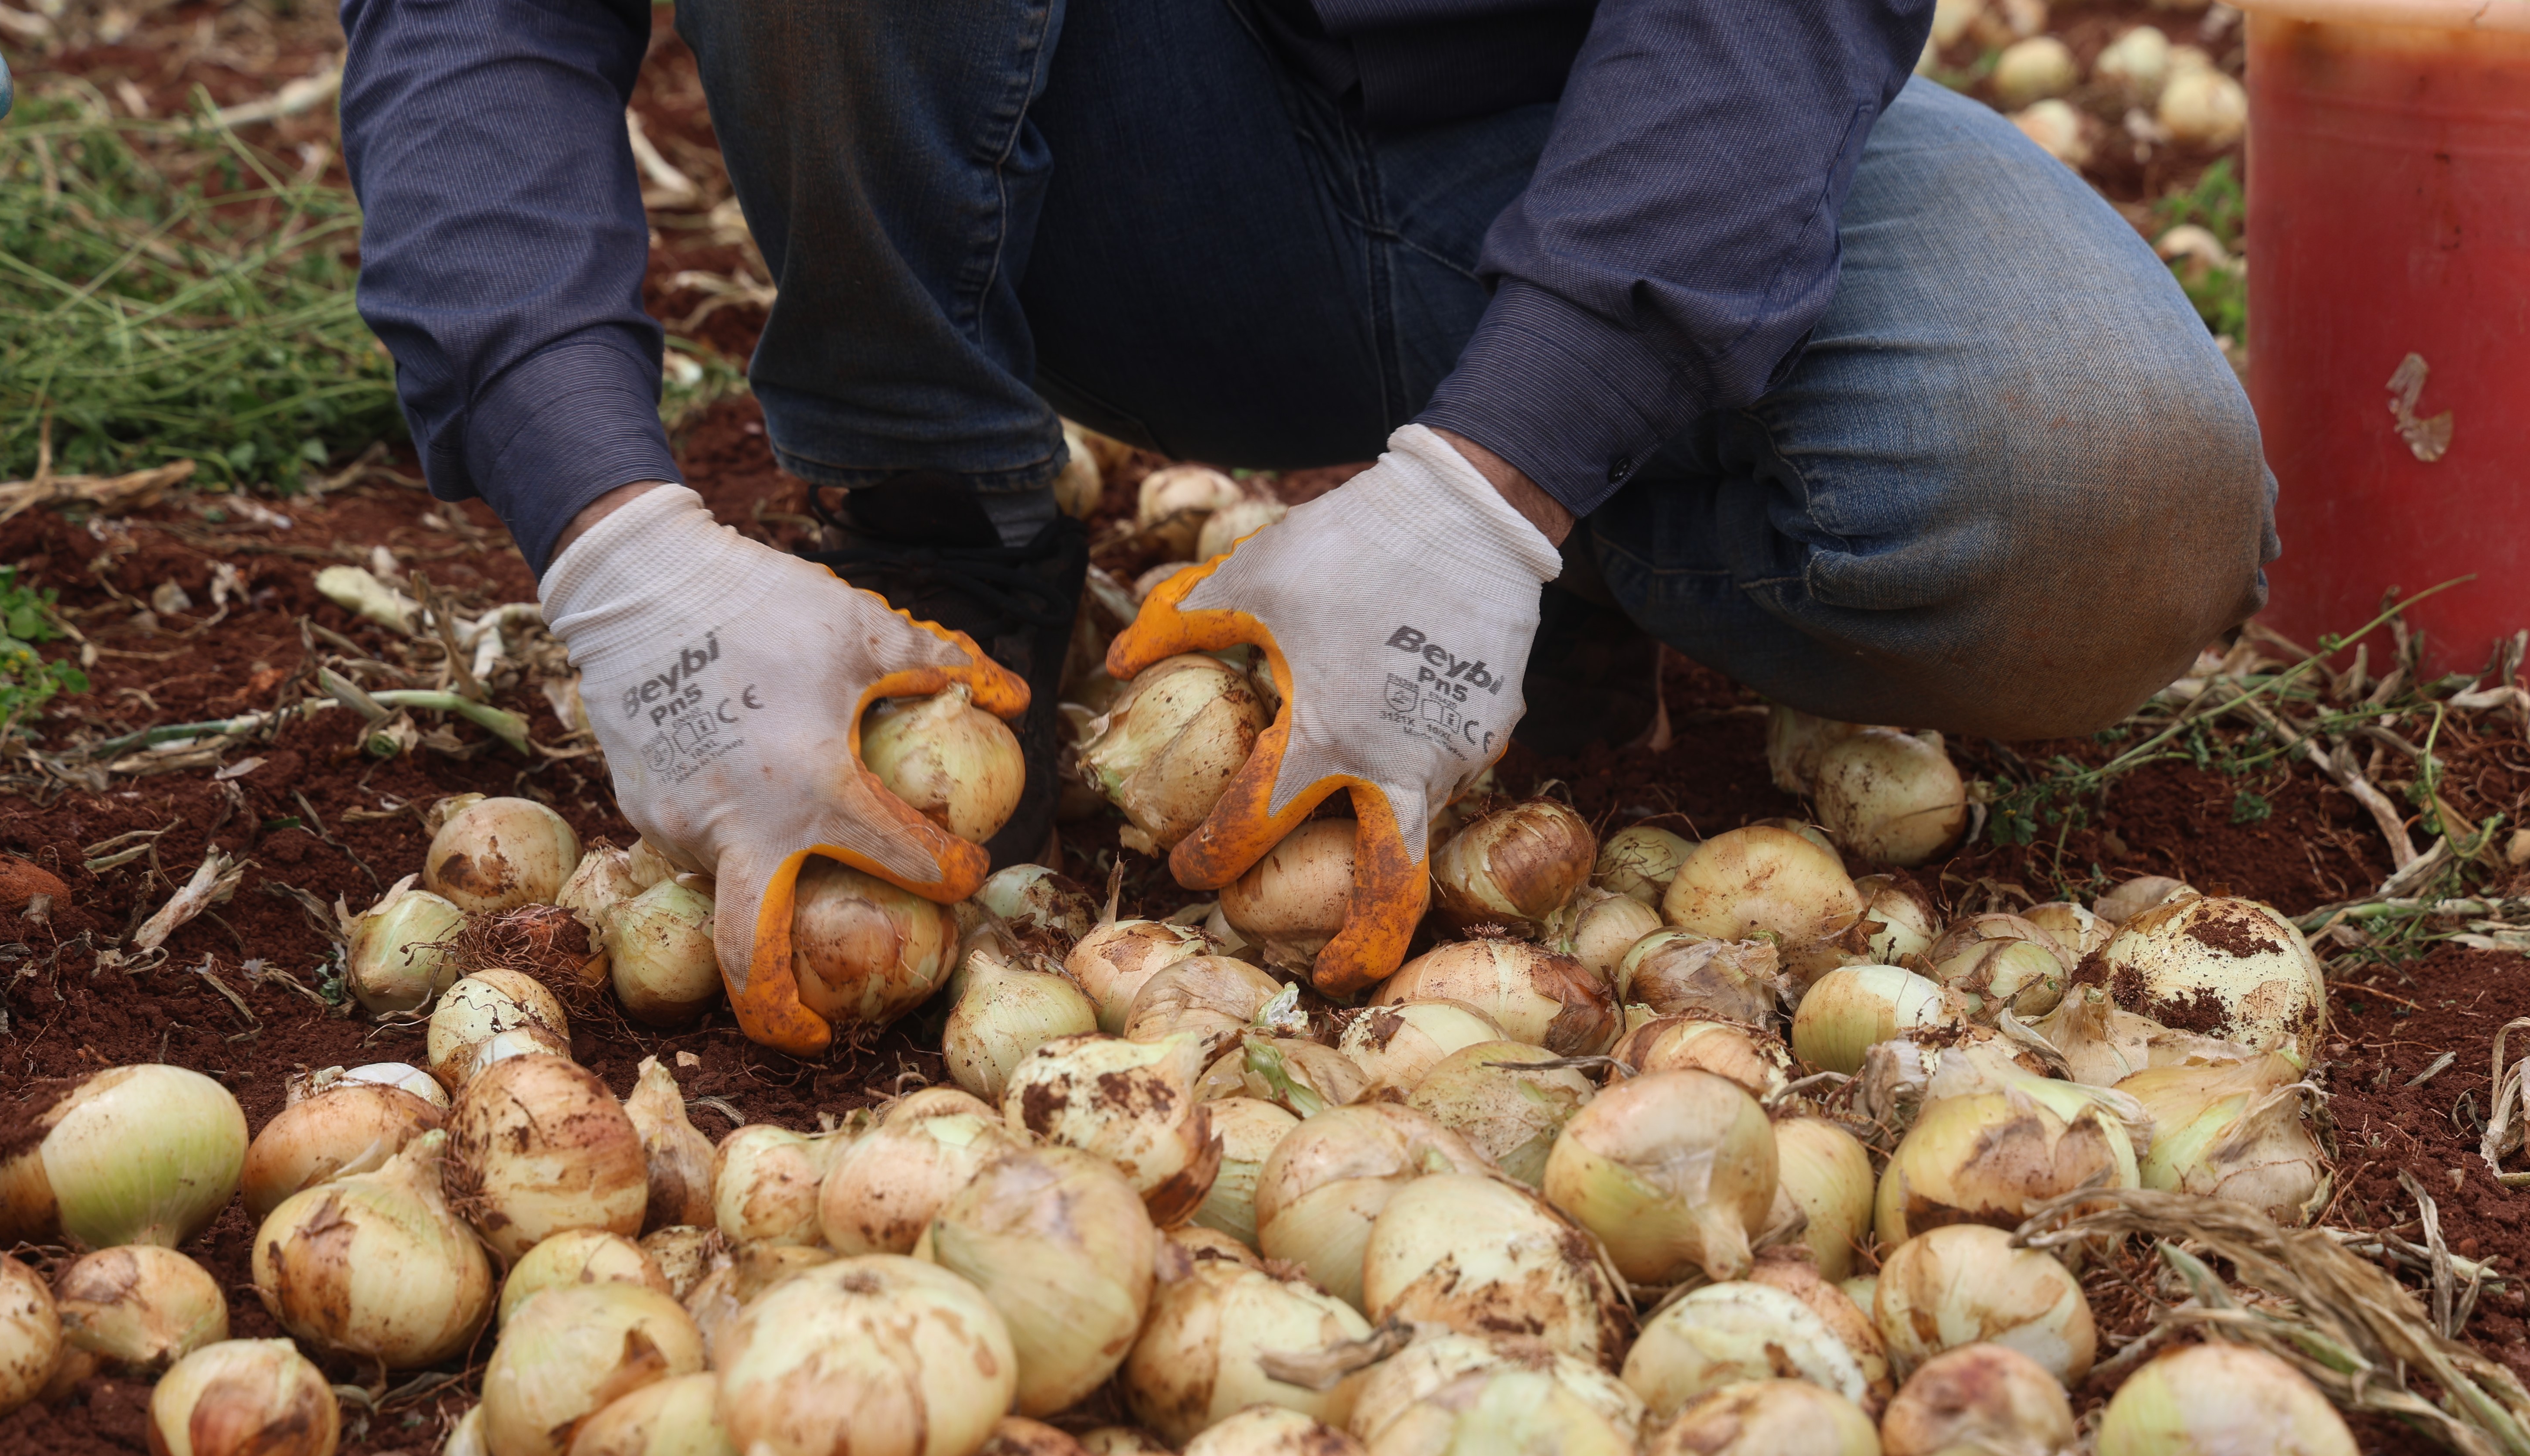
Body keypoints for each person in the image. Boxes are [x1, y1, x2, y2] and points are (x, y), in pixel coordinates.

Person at [338, 0, 2275, 1054]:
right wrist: (611, 540)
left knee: (2108, 496)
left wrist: (1503, 475)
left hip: (1590, 106)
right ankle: (932, 493)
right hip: (1093, 131)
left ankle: (1567, 513)